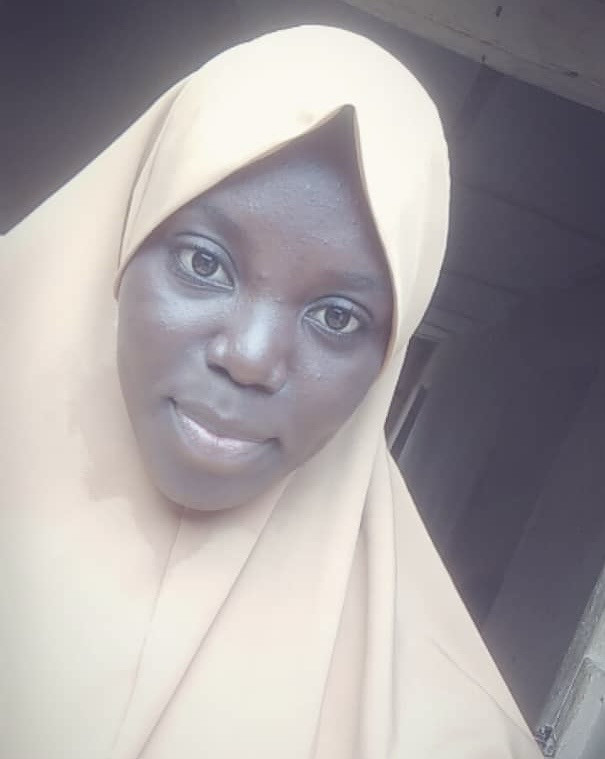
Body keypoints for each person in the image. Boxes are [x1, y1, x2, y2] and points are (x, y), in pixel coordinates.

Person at [0, 25, 541, 759]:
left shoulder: (445, 731)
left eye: (337, 317)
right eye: (203, 262)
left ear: (387, 361)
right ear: (124, 245)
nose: (251, 358)